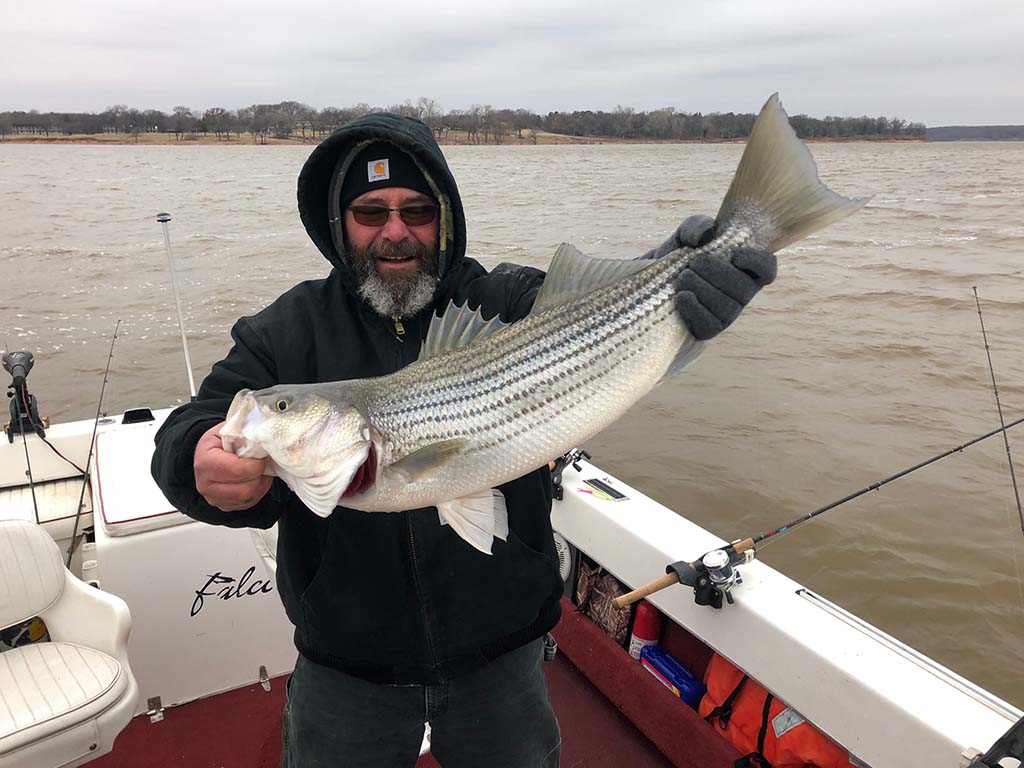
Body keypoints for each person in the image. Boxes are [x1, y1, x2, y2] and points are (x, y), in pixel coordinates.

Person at [150, 112, 776, 768]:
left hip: (502, 662)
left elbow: (586, 316)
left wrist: (669, 276)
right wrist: (197, 462)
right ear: (339, 226)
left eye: (416, 210)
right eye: (371, 211)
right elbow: (191, 430)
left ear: (444, 216)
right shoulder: (285, 333)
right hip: (346, 673)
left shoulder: (499, 299)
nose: (395, 230)